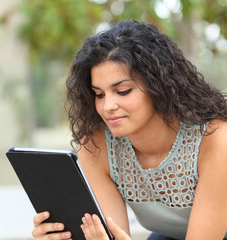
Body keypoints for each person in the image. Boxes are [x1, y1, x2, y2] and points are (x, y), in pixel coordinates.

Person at [31, 20, 227, 240]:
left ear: (159, 86)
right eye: (99, 94)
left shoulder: (216, 140)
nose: (108, 107)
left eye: (122, 91)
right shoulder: (98, 146)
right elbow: (110, 235)